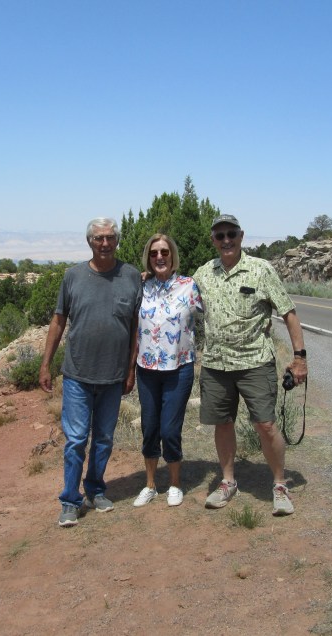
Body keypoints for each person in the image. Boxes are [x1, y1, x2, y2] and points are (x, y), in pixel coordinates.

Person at [192, 214, 308, 516]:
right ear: (213, 241)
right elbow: (180, 298)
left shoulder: (261, 269)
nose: (226, 240)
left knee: (265, 424)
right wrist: (147, 279)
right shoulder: (203, 273)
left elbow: (288, 313)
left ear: (241, 236)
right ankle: (228, 482)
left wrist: (299, 358)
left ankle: (280, 485)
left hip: (255, 362)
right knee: (223, 423)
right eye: (220, 236)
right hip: (216, 365)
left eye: (231, 234)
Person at [39, 217, 142, 528]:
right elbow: (58, 321)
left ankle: (95, 490)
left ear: (117, 240)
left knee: (104, 439)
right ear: (89, 241)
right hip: (77, 375)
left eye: (110, 237)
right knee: (75, 440)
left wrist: (130, 369)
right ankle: (70, 500)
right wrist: (45, 364)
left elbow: (135, 327)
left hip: (113, 376)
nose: (105, 243)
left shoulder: (131, 276)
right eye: (99, 238)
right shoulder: (72, 276)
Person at [131, 234, 203, 508]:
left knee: (170, 430)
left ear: (173, 255)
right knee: (149, 428)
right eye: (154, 253)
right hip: (147, 370)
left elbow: (211, 314)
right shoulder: (141, 287)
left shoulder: (188, 286)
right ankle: (150, 485)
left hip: (179, 369)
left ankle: (175, 484)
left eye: (164, 252)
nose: (159, 257)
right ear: (148, 258)